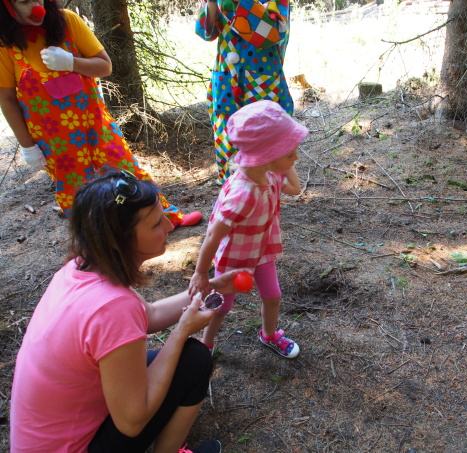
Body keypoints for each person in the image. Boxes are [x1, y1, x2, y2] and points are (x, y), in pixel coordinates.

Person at [9, 171, 238, 453]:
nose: (169, 226)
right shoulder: (112, 307)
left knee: (178, 362)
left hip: (49, 439)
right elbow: (132, 422)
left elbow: (150, 315)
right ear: (122, 239)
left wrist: (209, 287)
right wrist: (181, 332)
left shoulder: (80, 268)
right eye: (156, 223)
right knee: (194, 360)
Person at [0, 0, 201, 226]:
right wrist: (27, 146)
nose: (36, 5)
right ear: (8, 7)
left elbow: (105, 66)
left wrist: (71, 62)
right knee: (77, 193)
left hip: (96, 124)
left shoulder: (68, 21)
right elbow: (6, 98)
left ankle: (164, 219)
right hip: (54, 140)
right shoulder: (5, 44)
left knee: (128, 172)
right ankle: (98, 241)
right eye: (25, 1)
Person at [188, 100, 307, 359]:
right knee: (221, 306)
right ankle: (205, 344)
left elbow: (295, 189)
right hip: (235, 258)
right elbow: (213, 235)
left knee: (273, 295)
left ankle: (269, 334)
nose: (296, 158)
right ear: (266, 156)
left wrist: (285, 160)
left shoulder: (270, 174)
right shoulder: (243, 194)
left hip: (261, 250)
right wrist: (201, 273)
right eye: (290, 153)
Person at [195, 0, 294, 185]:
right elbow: (205, 31)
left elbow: (272, 34)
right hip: (226, 81)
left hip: (262, 82)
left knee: (263, 145)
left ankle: (266, 197)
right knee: (228, 144)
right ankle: (232, 195)